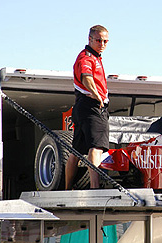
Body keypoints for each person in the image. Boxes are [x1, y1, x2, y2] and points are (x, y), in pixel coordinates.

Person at [65, 25, 110, 189]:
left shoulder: (95, 57)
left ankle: (67, 188)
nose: (102, 44)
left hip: (81, 107)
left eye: (105, 41)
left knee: (75, 151)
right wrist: (97, 94)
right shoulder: (86, 57)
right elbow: (86, 78)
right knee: (96, 147)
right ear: (89, 39)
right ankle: (95, 188)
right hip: (92, 106)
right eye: (99, 40)